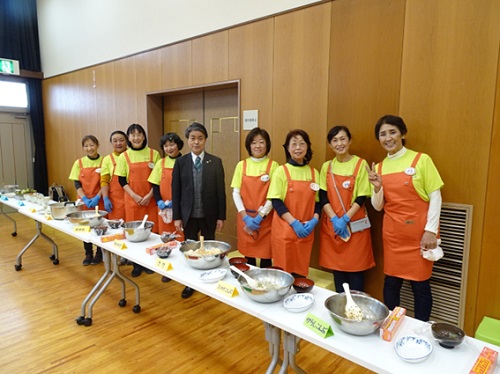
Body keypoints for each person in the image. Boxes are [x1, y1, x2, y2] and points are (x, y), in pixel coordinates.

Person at [366, 114, 444, 321]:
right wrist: (377, 188)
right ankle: (391, 323)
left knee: (420, 284)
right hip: (393, 235)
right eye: (382, 134)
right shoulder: (379, 167)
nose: (388, 138)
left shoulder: (421, 160)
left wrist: (430, 230)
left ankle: (422, 328)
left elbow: (435, 196)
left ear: (402, 133)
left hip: (419, 234)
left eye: (392, 132)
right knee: (391, 282)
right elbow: (378, 206)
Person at [172, 122, 226, 298]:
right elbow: (176, 191)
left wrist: (221, 216)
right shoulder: (180, 162)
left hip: (209, 214)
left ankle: (210, 281)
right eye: (192, 138)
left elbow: (221, 192)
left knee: (210, 251)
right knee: (191, 251)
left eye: (200, 138)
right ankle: (190, 283)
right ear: (187, 140)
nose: (196, 142)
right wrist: (177, 217)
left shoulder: (215, 161)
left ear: (205, 140)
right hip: (188, 215)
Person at [318, 126, 375, 292]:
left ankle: (355, 312)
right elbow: (323, 196)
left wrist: (345, 219)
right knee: (338, 271)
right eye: (334, 140)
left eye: (343, 139)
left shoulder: (360, 164)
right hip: (333, 227)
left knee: (356, 272)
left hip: (355, 226)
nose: (339, 143)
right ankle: (340, 308)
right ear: (330, 145)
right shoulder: (327, 167)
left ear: (349, 141)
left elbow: (362, 197)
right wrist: (335, 219)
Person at [266, 129, 320, 278]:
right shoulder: (281, 171)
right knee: (283, 273)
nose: (298, 148)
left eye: (302, 144)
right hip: (285, 229)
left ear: (307, 147)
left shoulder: (315, 173)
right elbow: (276, 202)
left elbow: (318, 202)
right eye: (294, 144)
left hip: (306, 230)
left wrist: (315, 220)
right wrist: (294, 223)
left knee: (301, 272)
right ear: (288, 148)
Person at [115, 123, 161, 277]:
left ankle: (150, 262)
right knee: (134, 235)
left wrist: (149, 195)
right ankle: (136, 264)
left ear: (143, 136)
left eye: (139, 134)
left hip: (151, 201)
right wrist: (134, 196)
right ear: (129, 138)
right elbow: (122, 180)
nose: (136, 138)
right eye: (132, 135)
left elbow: (157, 179)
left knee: (152, 233)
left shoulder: (153, 154)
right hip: (132, 201)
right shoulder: (124, 156)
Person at [230, 128, 278, 268]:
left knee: (266, 258)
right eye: (254, 142)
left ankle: (266, 286)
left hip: (265, 219)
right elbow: (236, 192)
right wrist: (245, 216)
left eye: (261, 142)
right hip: (245, 218)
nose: (257, 146)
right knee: (248, 257)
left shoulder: (273, 166)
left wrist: (260, 216)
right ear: (249, 146)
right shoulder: (242, 165)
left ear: (267, 145)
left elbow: (274, 195)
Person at [148, 132, 185, 283]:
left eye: (172, 144)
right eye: (166, 146)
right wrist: (159, 202)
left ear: (179, 145)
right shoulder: (160, 163)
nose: (169, 148)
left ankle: (181, 266)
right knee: (165, 237)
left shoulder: (185, 161)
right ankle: (167, 267)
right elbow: (155, 185)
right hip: (164, 209)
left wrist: (178, 203)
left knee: (180, 237)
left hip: (181, 208)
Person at [68, 135, 104, 265]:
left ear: (98, 145)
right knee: (85, 226)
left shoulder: (104, 161)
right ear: (83, 148)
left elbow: (105, 182)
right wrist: (84, 197)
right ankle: (88, 253)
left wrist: (97, 197)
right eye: (86, 146)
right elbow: (77, 183)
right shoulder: (79, 163)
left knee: (100, 227)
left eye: (92, 145)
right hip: (84, 200)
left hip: (99, 200)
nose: (89, 148)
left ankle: (100, 253)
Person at [100, 130, 128, 220]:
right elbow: (104, 181)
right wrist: (105, 198)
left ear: (127, 141)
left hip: (133, 198)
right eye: (115, 141)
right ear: (111, 143)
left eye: (121, 140)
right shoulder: (107, 159)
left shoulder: (131, 155)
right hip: (115, 201)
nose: (118, 143)